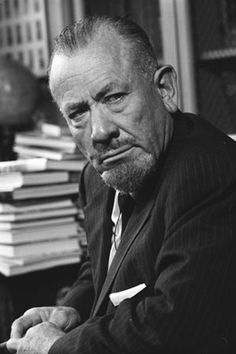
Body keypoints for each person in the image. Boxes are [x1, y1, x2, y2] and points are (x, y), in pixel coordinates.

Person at [6, 15, 236, 354]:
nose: (99, 132)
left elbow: (173, 327)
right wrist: (71, 311)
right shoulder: (97, 176)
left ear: (165, 90)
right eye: (78, 113)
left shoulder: (210, 172)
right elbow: (101, 268)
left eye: (113, 97)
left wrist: (58, 348)